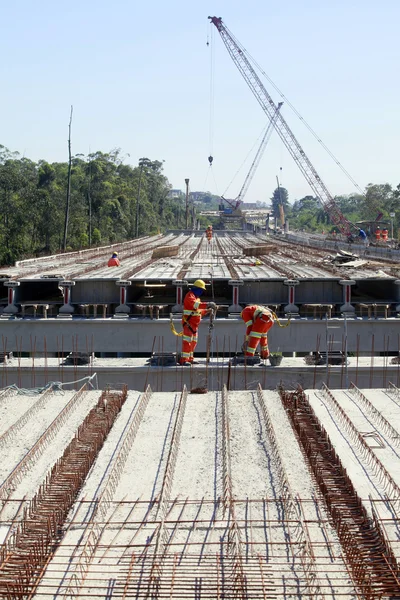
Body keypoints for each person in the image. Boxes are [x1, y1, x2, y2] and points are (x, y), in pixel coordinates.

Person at [180, 279, 215, 365]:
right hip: (188, 324)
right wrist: (208, 304)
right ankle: (184, 360)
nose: (201, 292)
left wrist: (207, 311)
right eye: (201, 290)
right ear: (196, 288)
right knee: (187, 342)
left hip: (194, 326)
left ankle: (190, 359)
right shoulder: (190, 296)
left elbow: (198, 311)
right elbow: (195, 305)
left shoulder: (197, 298)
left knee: (193, 343)